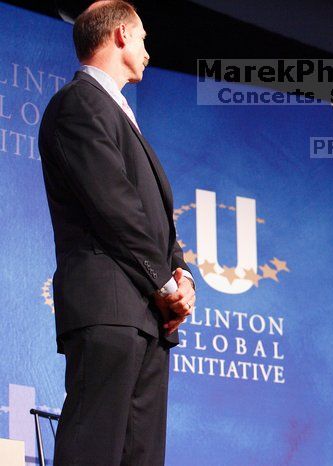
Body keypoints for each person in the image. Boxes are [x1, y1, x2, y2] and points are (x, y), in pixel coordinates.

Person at [38, 2, 195, 464]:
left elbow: (152, 215)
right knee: (94, 450)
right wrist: (164, 283)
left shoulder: (117, 110)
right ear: (122, 35)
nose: (148, 49)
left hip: (148, 316)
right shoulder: (79, 103)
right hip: (110, 309)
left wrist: (183, 274)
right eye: (144, 37)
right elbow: (114, 208)